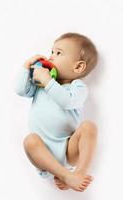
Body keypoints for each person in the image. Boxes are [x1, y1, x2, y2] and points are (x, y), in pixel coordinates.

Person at [15, 32, 98, 192]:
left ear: (78, 66)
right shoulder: (40, 85)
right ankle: (66, 175)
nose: (51, 57)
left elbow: (66, 101)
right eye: (51, 52)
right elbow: (20, 91)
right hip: (42, 152)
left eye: (58, 53)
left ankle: (79, 173)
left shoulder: (78, 87)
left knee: (89, 127)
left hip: (68, 149)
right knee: (30, 141)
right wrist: (26, 67)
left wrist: (47, 81)